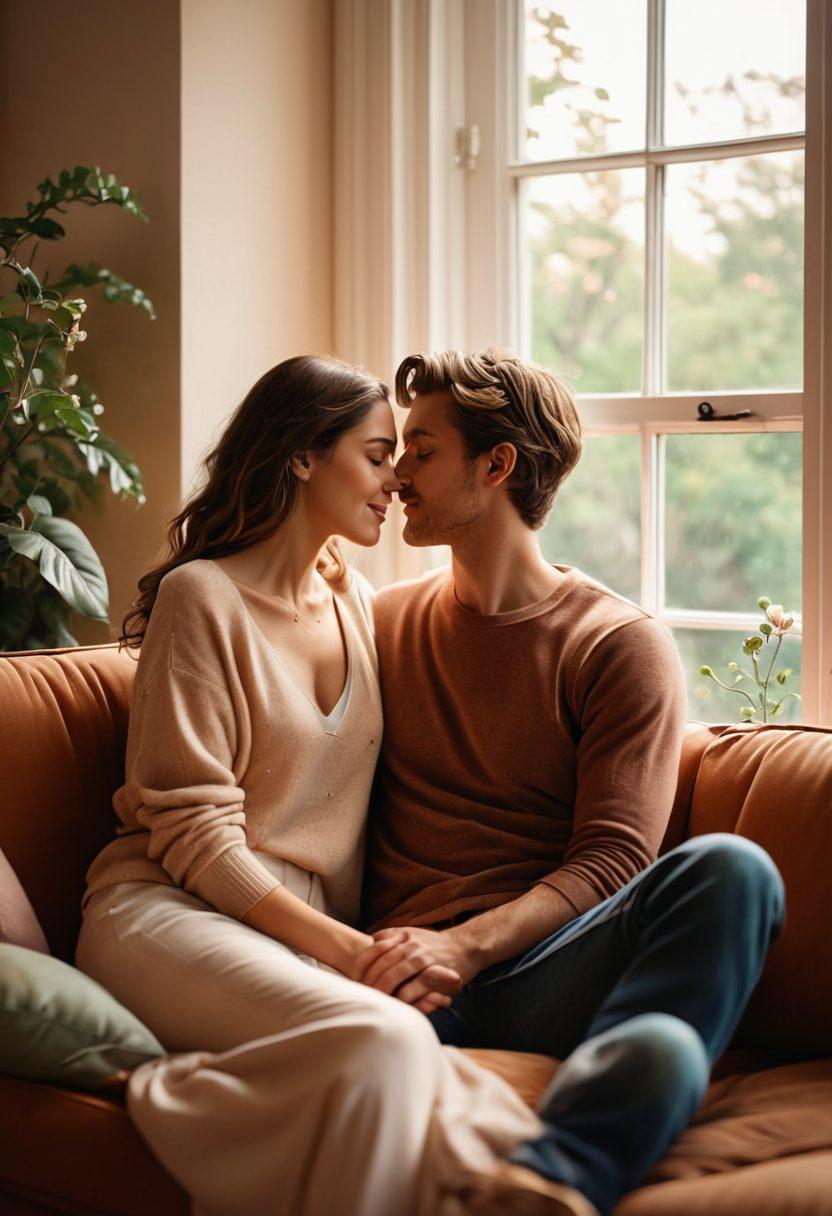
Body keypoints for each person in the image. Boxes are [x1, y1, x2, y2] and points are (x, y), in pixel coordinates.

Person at [74, 355, 578, 1216]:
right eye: (380, 454)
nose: (399, 483)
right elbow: (192, 833)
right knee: (388, 1038)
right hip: (166, 915)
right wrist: (352, 952)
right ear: (304, 456)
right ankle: (177, 1094)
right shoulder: (203, 600)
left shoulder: (356, 603)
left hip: (296, 942)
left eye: (408, 458)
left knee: (421, 1077)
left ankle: (197, 1091)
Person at [361, 347, 787, 1216]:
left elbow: (612, 864)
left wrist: (466, 945)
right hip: (401, 970)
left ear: (498, 464)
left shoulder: (616, 643)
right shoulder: (378, 623)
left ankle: (556, 1178)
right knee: (658, 1039)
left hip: (542, 969)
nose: (397, 471)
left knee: (734, 872)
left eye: (422, 448)